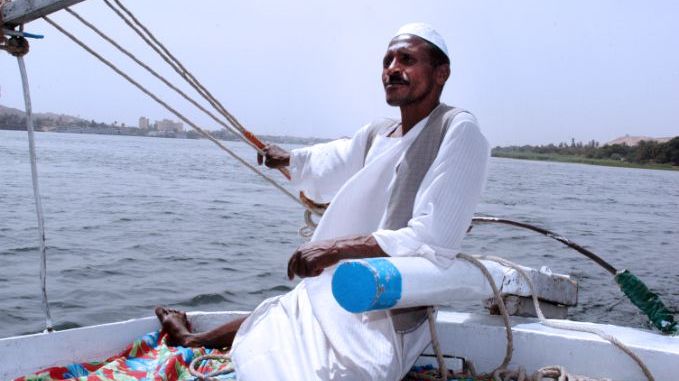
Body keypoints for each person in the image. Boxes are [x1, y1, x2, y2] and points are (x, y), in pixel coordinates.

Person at [155, 22, 490, 380]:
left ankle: (194, 339)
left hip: (388, 313)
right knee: (279, 322)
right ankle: (192, 340)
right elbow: (332, 161)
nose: (392, 69)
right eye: (387, 60)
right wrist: (289, 161)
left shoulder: (459, 129)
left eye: (406, 59)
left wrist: (334, 249)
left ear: (442, 73)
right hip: (339, 285)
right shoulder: (379, 132)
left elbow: (433, 238)